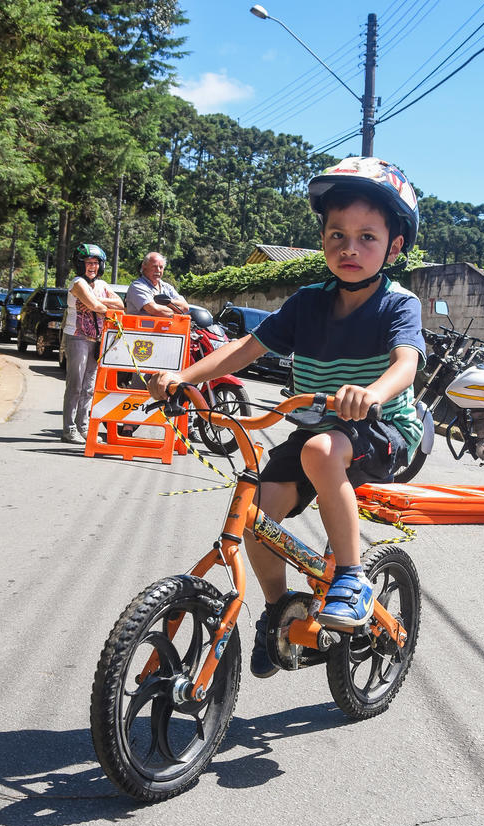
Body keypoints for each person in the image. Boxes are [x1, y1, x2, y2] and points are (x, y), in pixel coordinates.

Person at [148, 157, 426, 677]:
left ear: (394, 247)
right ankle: (278, 610)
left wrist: (370, 393)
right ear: (321, 239)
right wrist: (185, 378)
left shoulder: (398, 304)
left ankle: (351, 575)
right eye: (337, 234)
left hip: (385, 430)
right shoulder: (306, 303)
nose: (349, 247)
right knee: (258, 513)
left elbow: (405, 365)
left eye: (367, 237)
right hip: (321, 427)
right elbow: (244, 349)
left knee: (322, 450)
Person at [62, 243, 124, 444]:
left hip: (97, 340)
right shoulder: (77, 283)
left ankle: (84, 427)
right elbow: (95, 306)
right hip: (77, 337)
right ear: (80, 265)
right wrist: (99, 302)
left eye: (96, 263)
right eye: (89, 262)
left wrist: (98, 301)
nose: (93, 267)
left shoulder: (102, 285)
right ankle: (69, 429)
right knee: (75, 385)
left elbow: (121, 305)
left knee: (89, 387)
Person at [125, 252, 189, 318]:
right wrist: (176, 311)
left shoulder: (167, 287)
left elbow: (185, 307)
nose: (158, 270)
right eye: (154, 266)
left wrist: (167, 301)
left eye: (161, 267)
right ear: (144, 267)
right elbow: (154, 310)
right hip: (146, 327)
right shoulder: (137, 286)